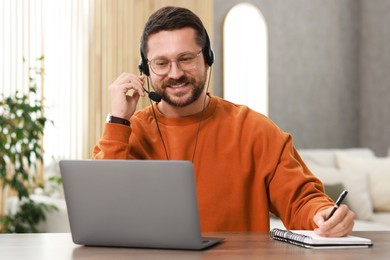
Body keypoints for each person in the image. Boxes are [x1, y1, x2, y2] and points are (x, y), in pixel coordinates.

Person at [93, 6, 355, 237]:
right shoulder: (129, 131)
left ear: (208, 59)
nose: (175, 73)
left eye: (186, 58)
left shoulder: (254, 129)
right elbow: (100, 209)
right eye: (161, 63)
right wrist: (118, 120)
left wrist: (323, 215)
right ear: (146, 70)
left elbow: (301, 201)